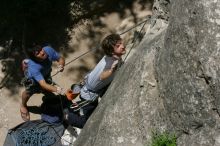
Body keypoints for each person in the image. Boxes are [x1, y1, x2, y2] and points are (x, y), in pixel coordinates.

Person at [65, 33, 126, 128]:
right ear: (112, 52)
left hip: (91, 87)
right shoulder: (110, 63)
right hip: (89, 95)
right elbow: (102, 76)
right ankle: (68, 116)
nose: (122, 46)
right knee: (87, 123)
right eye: (118, 46)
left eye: (121, 43)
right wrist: (111, 70)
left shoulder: (110, 57)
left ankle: (73, 108)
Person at [20, 44, 65, 121]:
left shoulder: (48, 50)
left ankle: (25, 61)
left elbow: (60, 58)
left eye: (41, 49)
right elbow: (43, 84)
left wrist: (61, 65)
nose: (42, 52)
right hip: (33, 80)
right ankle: (23, 106)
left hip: (45, 73)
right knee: (28, 92)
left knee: (46, 86)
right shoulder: (33, 67)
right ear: (34, 58)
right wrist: (57, 89)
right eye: (37, 53)